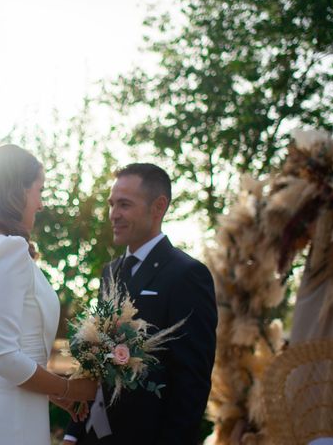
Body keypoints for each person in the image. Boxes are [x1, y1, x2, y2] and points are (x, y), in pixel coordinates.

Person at [0, 144, 97, 445]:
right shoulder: (10, 249)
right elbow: (3, 357)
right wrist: (67, 388)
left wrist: (48, 389)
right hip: (10, 420)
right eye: (39, 190)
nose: (41, 204)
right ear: (17, 191)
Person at [63, 163, 218, 445]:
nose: (113, 215)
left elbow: (192, 382)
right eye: (111, 204)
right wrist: (74, 432)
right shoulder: (111, 271)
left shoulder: (187, 275)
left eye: (124, 204)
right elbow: (94, 363)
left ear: (158, 207)